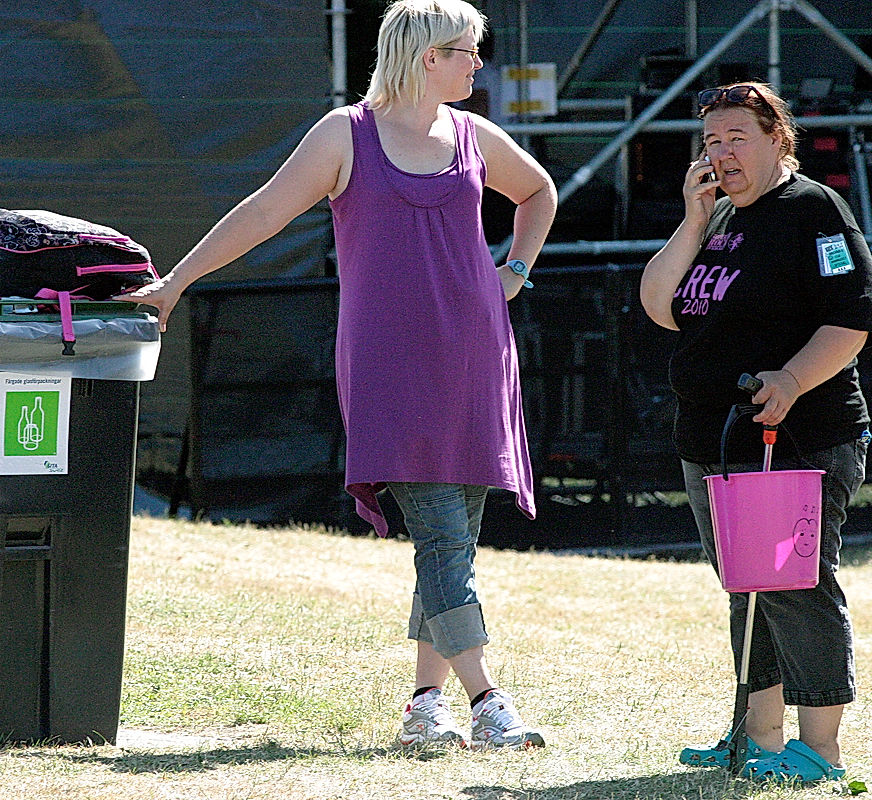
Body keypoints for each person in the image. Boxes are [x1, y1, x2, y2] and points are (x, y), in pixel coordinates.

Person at [115, 0, 556, 750]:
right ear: (426, 57)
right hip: (390, 364)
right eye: (466, 51)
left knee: (453, 535)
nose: (478, 64)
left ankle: (425, 706)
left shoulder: (473, 134)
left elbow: (539, 192)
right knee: (442, 535)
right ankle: (488, 702)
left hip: (475, 356)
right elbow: (261, 214)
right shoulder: (344, 135)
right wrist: (175, 281)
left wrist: (512, 271)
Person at [640, 82, 872, 783]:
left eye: (736, 139)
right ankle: (758, 739)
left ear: (778, 138)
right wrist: (693, 221)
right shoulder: (717, 216)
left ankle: (821, 751)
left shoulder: (813, 210)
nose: (721, 154)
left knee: (795, 585)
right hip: (714, 440)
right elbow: (661, 306)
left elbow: (852, 320)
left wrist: (789, 379)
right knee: (748, 586)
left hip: (799, 437)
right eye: (711, 142)